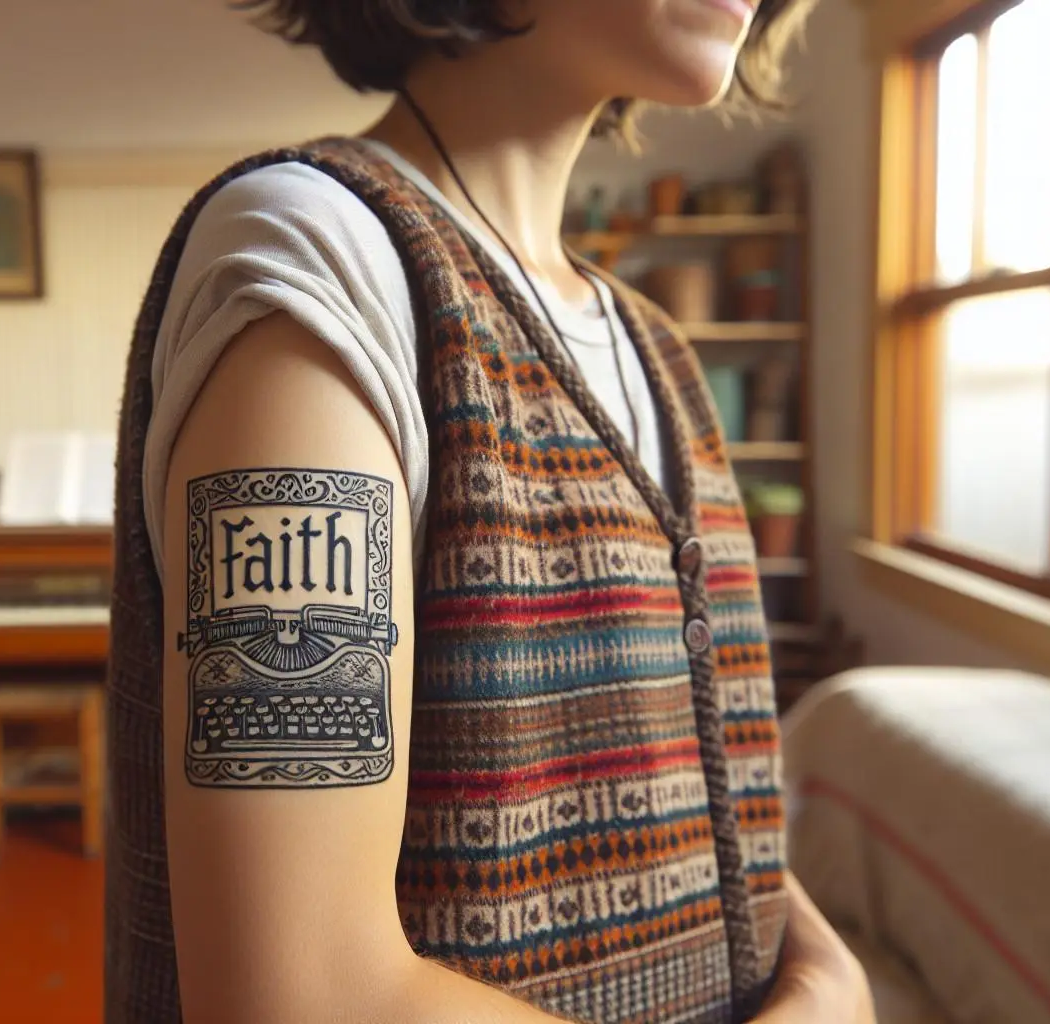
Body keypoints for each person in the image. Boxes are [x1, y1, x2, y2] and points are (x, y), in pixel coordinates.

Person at [104, 1, 874, 1021]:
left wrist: (827, 971)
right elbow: (297, 996)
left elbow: (708, 785)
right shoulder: (323, 260)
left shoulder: (659, 352)